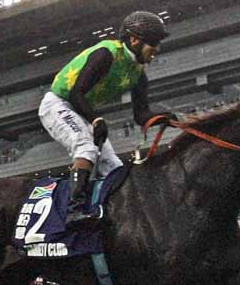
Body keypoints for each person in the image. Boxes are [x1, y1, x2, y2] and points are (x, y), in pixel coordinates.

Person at [39, 11, 173, 224]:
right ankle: (74, 210)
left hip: (81, 110)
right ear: (134, 40)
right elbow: (75, 93)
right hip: (58, 103)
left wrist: (162, 118)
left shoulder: (138, 73)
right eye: (153, 42)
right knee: (85, 147)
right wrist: (95, 120)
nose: (157, 48)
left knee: (114, 166)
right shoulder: (105, 54)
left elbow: (141, 115)